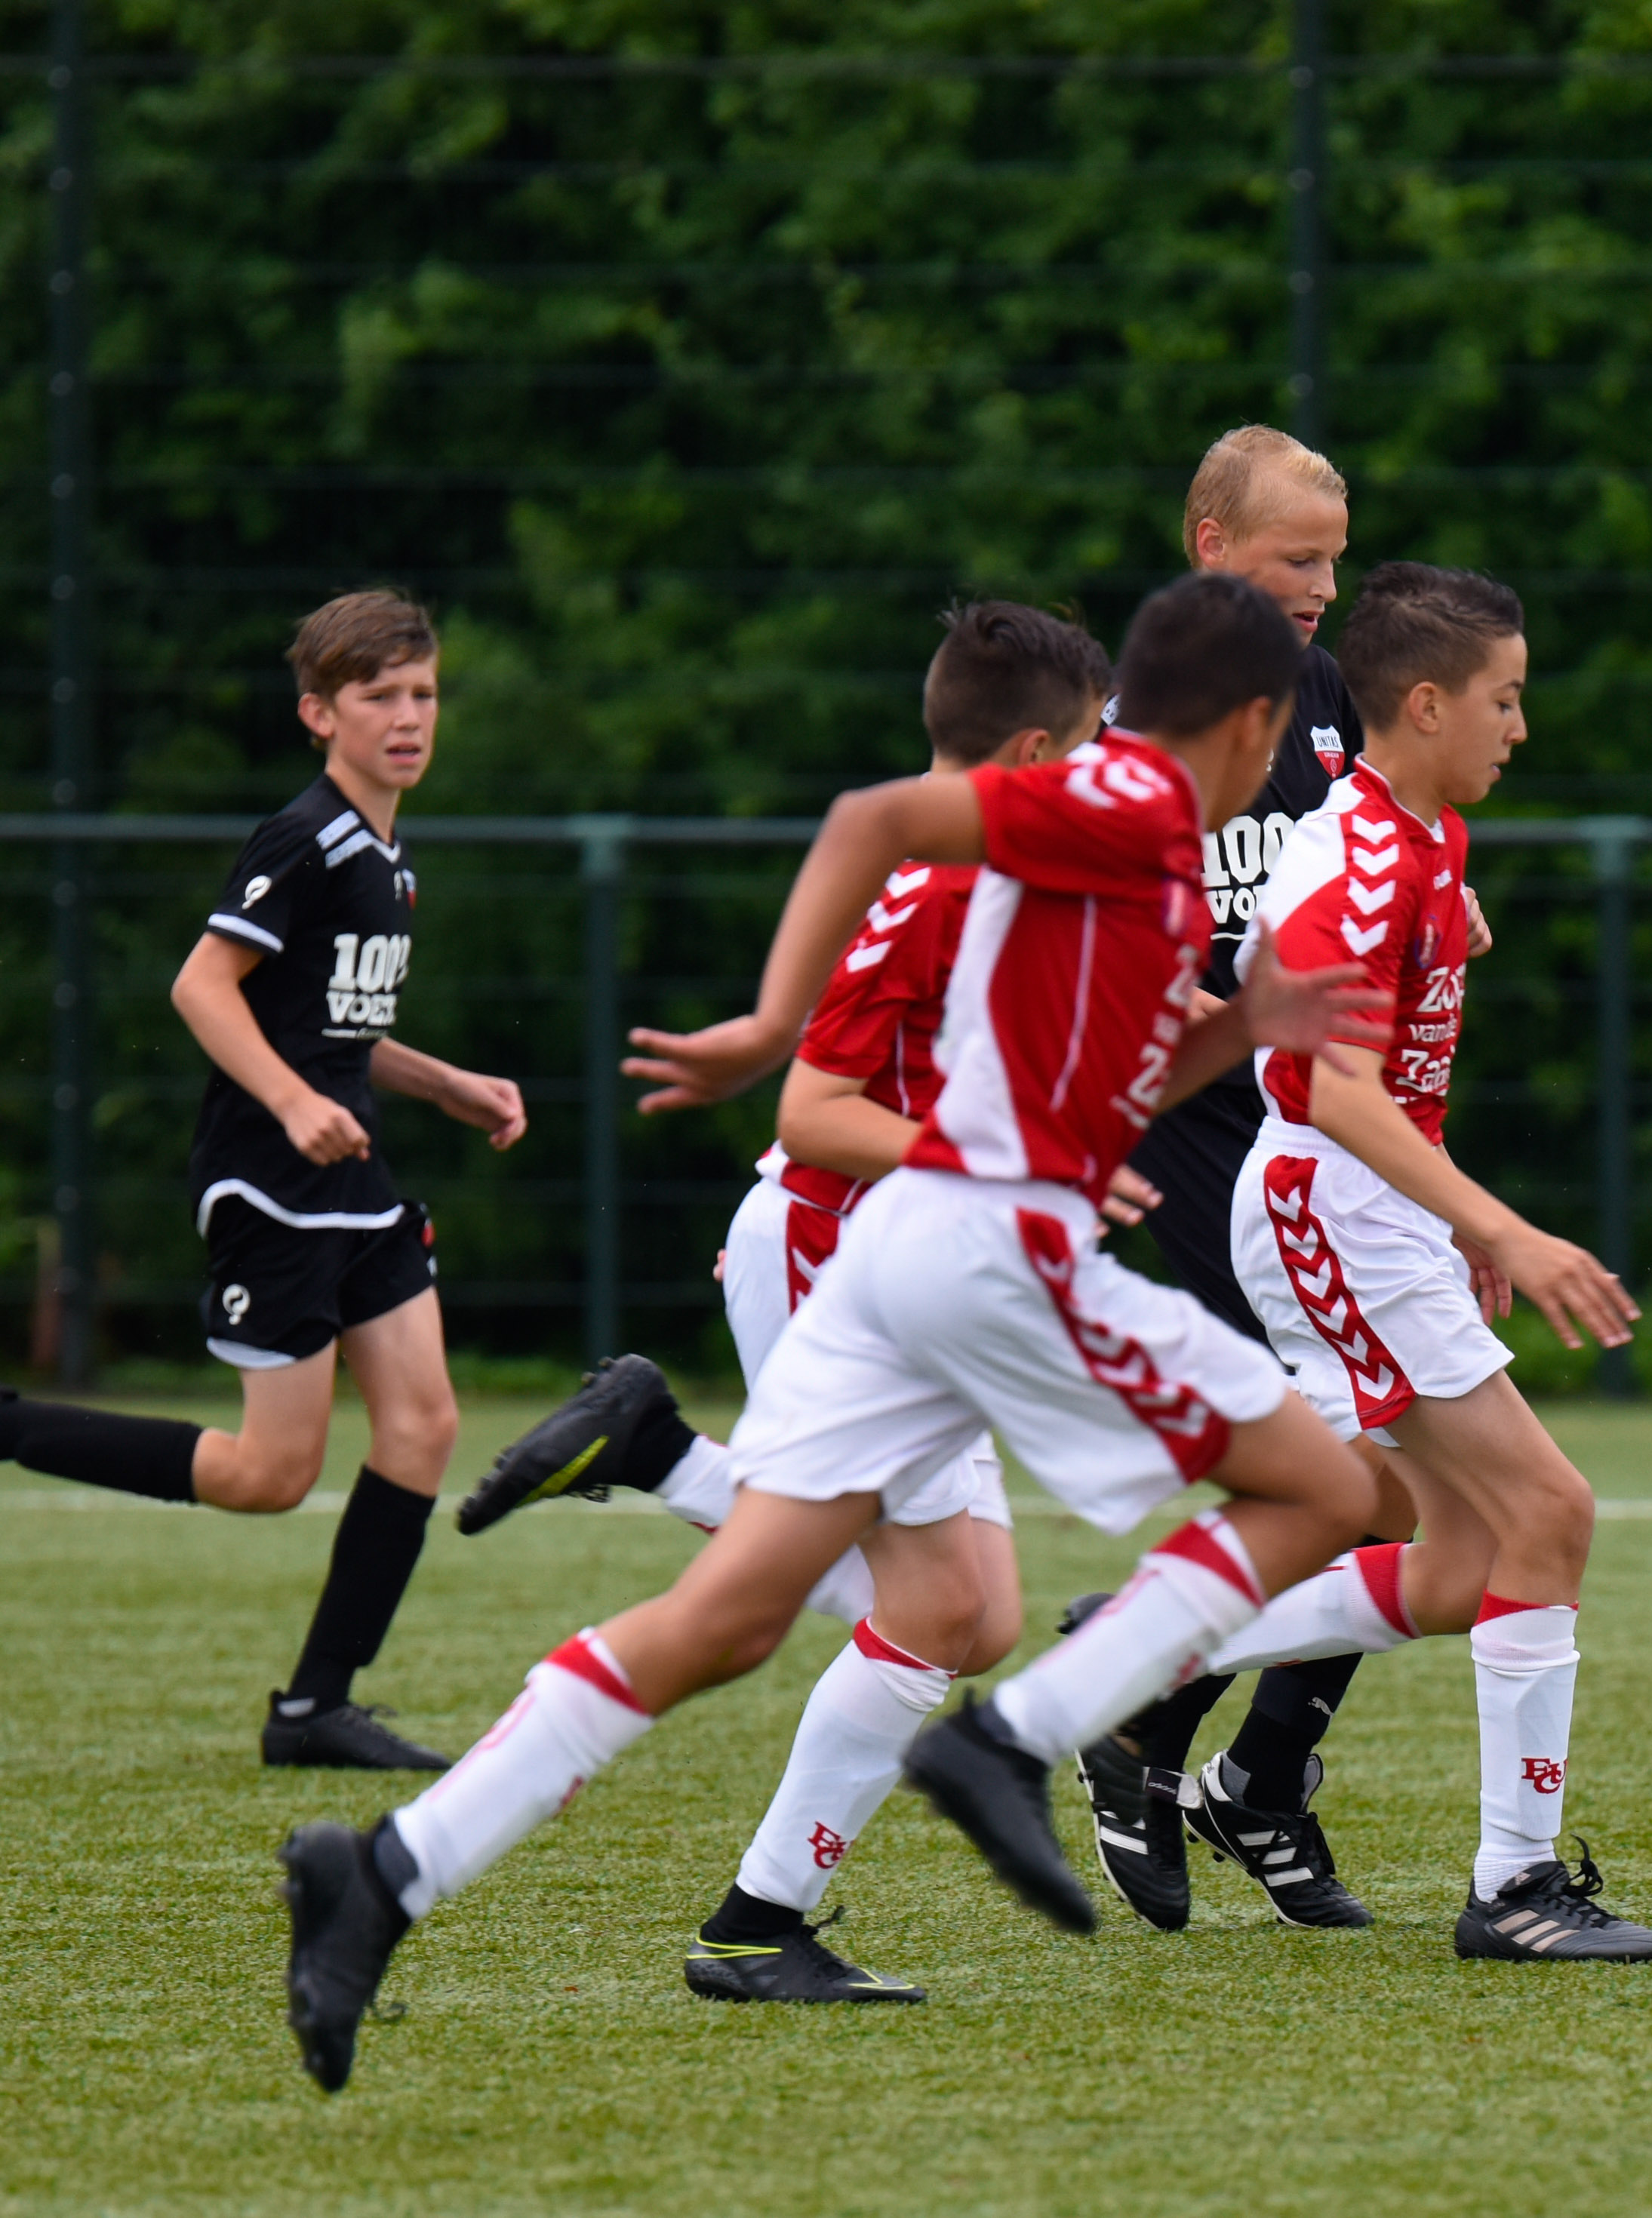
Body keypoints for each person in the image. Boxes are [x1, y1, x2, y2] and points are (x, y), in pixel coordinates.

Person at [273, 578, 1393, 2093]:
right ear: (1256, 722)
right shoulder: (1113, 807)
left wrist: (1244, 1025)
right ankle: (1018, 1740)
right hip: (974, 1253)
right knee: (1325, 1488)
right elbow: (872, 844)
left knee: (747, 1620)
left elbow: (1090, 1062)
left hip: (908, 1262)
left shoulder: (1146, 853)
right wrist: (763, 1034)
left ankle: (391, 1872)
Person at [449, 601, 1135, 2001]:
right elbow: (820, 1116)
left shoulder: (971, 867)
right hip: (846, 1253)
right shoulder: (944, 882)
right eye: (1089, 750)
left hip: (887, 1257)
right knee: (934, 1608)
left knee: (978, 1616)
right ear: (1028, 754)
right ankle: (757, 1920)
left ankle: (659, 1455)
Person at [1167, 560, 1652, 1962]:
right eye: (1506, 699)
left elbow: (1392, 1074)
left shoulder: (1428, 835)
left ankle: (1152, 1645)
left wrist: (1449, 1220)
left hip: (1371, 1209)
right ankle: (1515, 1889)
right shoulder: (1366, 860)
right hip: (1330, 1206)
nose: (1522, 725)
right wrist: (1499, 1225)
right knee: (1549, 1512)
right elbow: (1330, 1089)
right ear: (1430, 704)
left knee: (1458, 1568)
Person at [0, 591, 525, 1769]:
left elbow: (329, 1028)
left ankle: (314, 1710)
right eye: (378, 697)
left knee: (424, 1424)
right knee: (269, 1474)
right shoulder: (307, 840)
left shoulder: (387, 855)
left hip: (355, 1171)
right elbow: (203, 986)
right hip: (275, 1180)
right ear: (318, 714)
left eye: (423, 694)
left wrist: (444, 1083)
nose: (408, 717)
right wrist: (290, 1103)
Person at [1072, 424, 1422, 1936]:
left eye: (1336, 558)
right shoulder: (1134, 729)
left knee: (1395, 1458)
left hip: (1316, 1120)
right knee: (1355, 1454)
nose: (1326, 586)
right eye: (1299, 557)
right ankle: (1147, 1715)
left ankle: (1246, 1767)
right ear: (1210, 545)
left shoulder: (1326, 694)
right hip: (1199, 1135)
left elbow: (1364, 876)